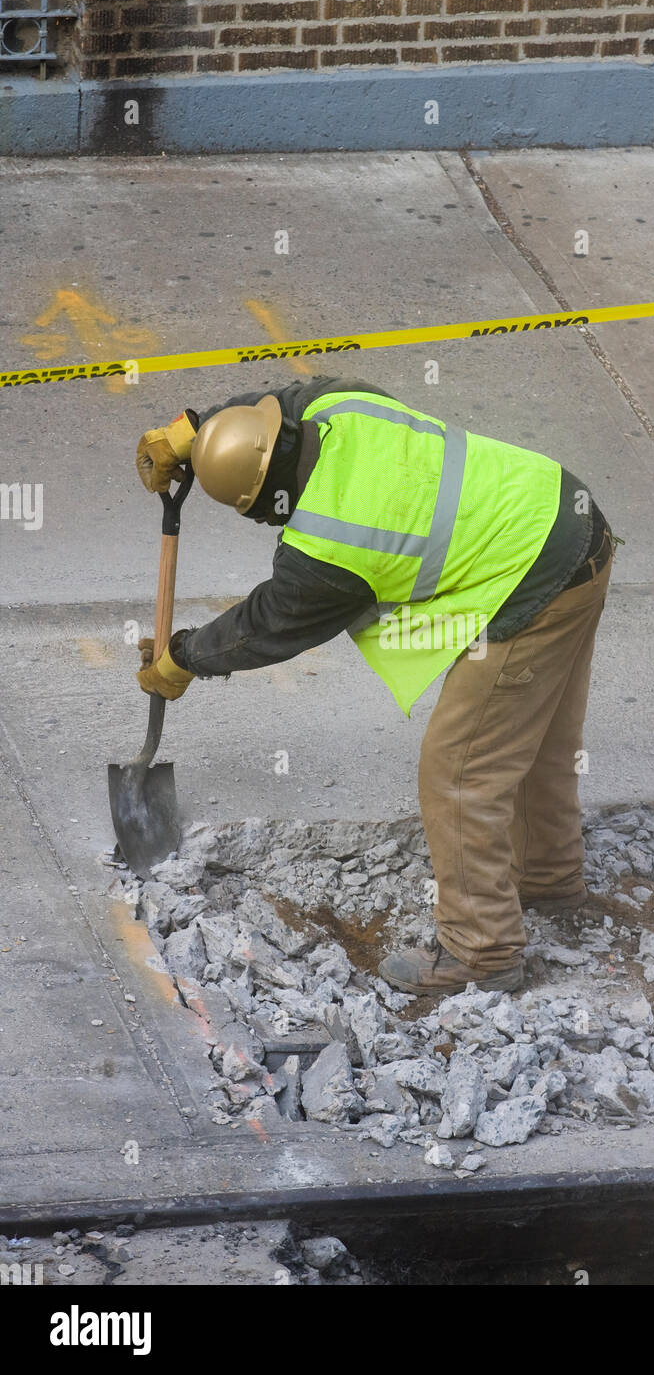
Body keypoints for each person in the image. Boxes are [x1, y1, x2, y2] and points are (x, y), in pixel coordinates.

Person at [135, 377, 615, 995]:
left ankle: (482, 949)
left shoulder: (329, 547)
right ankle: (548, 878)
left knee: (462, 768)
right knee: (538, 737)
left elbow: (266, 626)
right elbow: (284, 397)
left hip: (530, 580)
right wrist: (193, 431)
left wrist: (182, 659)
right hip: (566, 517)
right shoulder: (335, 407)